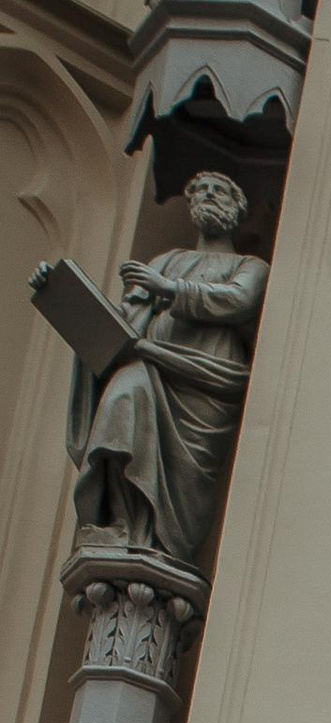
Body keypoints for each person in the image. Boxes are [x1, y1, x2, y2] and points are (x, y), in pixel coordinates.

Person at [66, 167, 266, 568]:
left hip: (205, 382)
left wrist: (168, 289)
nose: (208, 195)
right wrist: (65, 298)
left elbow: (238, 300)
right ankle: (121, 523)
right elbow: (127, 317)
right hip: (149, 362)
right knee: (122, 398)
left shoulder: (250, 265)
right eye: (201, 191)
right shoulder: (166, 260)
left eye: (219, 190)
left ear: (237, 208)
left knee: (186, 485)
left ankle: (163, 544)